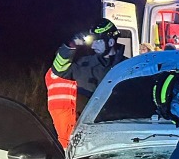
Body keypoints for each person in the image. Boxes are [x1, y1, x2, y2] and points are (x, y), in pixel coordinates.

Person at [45, 18, 124, 147]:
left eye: (97, 42)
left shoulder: (127, 66)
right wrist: (71, 46)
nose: (93, 46)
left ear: (110, 42)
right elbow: (58, 70)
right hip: (87, 135)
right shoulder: (84, 64)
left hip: (117, 134)